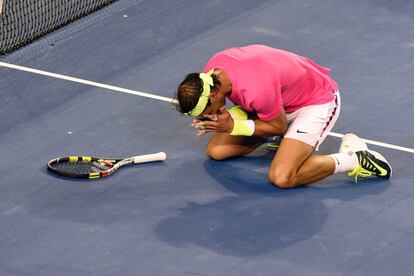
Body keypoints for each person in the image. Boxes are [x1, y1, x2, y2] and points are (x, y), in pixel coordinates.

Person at [173, 44, 392, 188]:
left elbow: (275, 125)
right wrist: (225, 120)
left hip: (315, 102)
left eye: (208, 111)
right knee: (217, 151)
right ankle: (286, 141)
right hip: (276, 103)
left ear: (212, 94)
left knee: (282, 177)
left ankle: (356, 158)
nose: (210, 115)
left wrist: (232, 126)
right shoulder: (213, 71)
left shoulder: (256, 89)